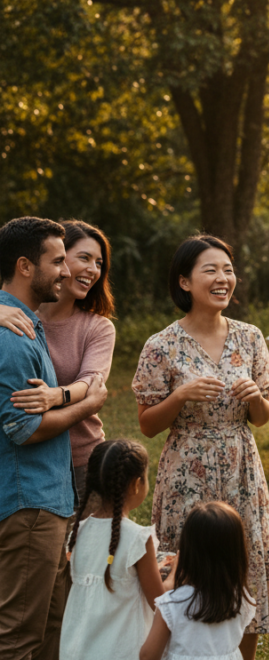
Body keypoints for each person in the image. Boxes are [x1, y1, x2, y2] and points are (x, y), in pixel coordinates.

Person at [133, 235, 269, 657]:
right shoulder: (161, 346)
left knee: (245, 564)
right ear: (184, 282)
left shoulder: (250, 337)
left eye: (228, 270)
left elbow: (263, 417)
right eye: (210, 270)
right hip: (187, 468)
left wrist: (256, 397)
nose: (223, 278)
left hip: (241, 465)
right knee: (188, 569)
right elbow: (147, 425)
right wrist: (180, 396)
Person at [0, 216, 108, 660]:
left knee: (52, 627)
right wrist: (86, 405)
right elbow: (23, 429)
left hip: (50, 498)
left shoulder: (26, 324)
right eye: (58, 261)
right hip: (30, 505)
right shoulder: (15, 338)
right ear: (26, 266)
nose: (67, 272)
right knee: (19, 637)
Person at [0, 219, 116, 501]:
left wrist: (56, 396)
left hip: (82, 459)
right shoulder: (15, 316)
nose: (93, 270)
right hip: (28, 461)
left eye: (99, 263)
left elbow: (92, 383)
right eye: (84, 258)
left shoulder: (98, 328)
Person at [61, 439, 174, 660]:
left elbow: (111, 575)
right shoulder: (139, 539)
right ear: (136, 484)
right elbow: (158, 603)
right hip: (121, 651)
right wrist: (175, 577)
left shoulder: (78, 533)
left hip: (76, 650)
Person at [140, 501, 257, 660]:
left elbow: (148, 656)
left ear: (187, 551)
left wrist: (174, 576)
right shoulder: (241, 598)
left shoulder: (171, 604)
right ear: (237, 554)